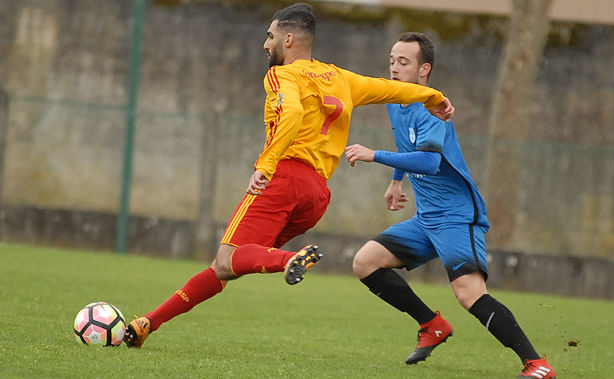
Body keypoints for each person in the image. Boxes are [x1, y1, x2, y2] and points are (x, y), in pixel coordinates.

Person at [123, 4, 454, 349]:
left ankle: (288, 259)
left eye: (271, 36)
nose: (266, 44)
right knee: (228, 266)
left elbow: (292, 112)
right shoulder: (341, 78)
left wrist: (264, 166)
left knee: (228, 257)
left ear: (289, 39)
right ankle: (149, 323)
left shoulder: (282, 75)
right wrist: (434, 96)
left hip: (284, 179)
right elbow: (391, 89)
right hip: (317, 195)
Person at [344, 32, 556, 378]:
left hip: (457, 216)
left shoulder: (433, 108)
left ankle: (537, 364)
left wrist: (373, 155)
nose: (394, 68)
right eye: (392, 60)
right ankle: (432, 324)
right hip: (426, 217)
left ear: (423, 70)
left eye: (404, 62)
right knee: (366, 262)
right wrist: (396, 180)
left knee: (469, 294)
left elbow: (428, 163)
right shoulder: (395, 101)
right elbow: (408, 145)